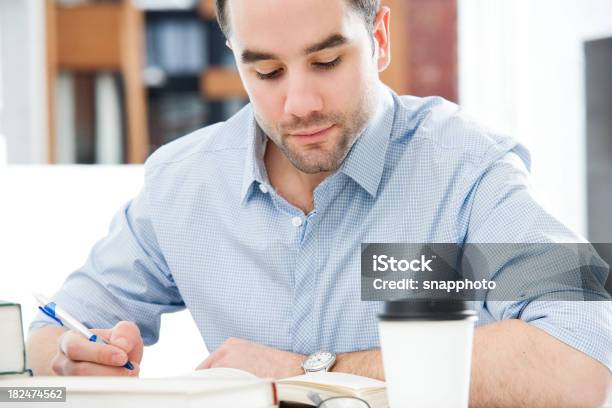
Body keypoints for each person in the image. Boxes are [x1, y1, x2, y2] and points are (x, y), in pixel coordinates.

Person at [27, 0, 611, 406]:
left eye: (327, 61)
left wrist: (311, 373)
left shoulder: (470, 166)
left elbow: (586, 347)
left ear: (378, 38)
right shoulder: (181, 183)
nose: (298, 103)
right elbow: (50, 334)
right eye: (266, 70)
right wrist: (80, 362)